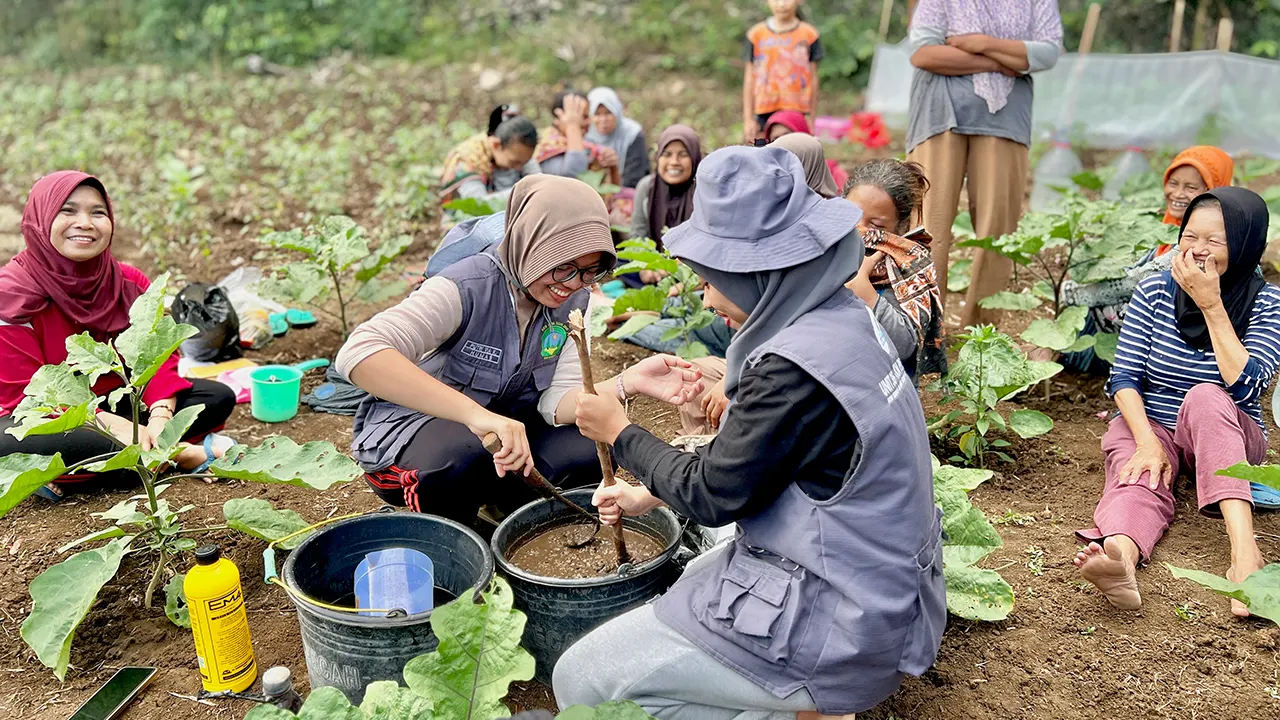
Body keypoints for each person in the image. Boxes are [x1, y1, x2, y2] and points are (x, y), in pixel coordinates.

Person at [554, 146, 945, 720]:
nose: (709, 299)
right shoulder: (843, 315)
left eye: (715, 279)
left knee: (581, 680)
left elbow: (715, 495)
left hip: (842, 628)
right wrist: (652, 490)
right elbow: (778, 459)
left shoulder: (792, 369)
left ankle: (808, 701)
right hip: (889, 591)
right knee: (695, 572)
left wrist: (620, 430)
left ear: (762, 274)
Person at [335, 175, 704, 525]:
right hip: (415, 440)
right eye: (563, 268)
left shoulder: (573, 300)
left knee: (585, 448)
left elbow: (557, 401)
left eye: (589, 271)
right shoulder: (465, 287)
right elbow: (360, 352)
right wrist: (476, 416)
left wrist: (628, 382)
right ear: (531, 245)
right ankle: (444, 536)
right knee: (464, 455)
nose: (574, 284)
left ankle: (503, 515)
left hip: (501, 435)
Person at [1073, 188, 1280, 618]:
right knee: (1137, 473)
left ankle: (1246, 554)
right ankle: (1121, 561)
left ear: (1244, 244)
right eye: (1190, 236)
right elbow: (1124, 378)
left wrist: (1211, 304)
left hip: (1229, 430)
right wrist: (1147, 441)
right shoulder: (1154, 289)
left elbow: (1248, 387)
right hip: (1154, 425)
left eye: (1215, 241)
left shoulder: (1268, 302)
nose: (1198, 250)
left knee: (1206, 397)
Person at [0, 171, 235, 499]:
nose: (85, 222)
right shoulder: (10, 295)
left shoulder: (127, 281)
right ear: (40, 220)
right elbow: (26, 396)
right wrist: (117, 427)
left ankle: (84, 473)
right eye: (67, 211)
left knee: (217, 396)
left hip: (120, 401)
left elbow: (158, 356)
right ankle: (181, 454)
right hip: (44, 415)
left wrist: (160, 417)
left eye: (98, 212)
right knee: (9, 441)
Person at [907, 0, 1063, 326]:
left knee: (997, 227)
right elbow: (924, 53)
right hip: (939, 113)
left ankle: (981, 337)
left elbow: (1048, 52)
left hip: (1006, 118)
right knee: (928, 223)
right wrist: (1006, 60)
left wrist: (983, 43)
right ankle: (921, 330)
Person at [1057, 146, 1236, 374]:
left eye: (1191, 187)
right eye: (1173, 183)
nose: (1178, 194)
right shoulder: (1167, 228)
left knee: (1092, 307)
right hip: (1154, 319)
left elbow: (1133, 283)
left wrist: (1069, 292)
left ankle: (1070, 357)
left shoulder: (1200, 245)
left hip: (1174, 342)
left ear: (1213, 191)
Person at [844, 159, 946, 380]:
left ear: (900, 229)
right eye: (851, 217)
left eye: (876, 226)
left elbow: (904, 346)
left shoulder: (905, 268)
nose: (859, 230)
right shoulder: (827, 253)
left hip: (885, 393)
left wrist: (866, 293)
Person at [742, 0, 823, 146]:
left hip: (797, 110)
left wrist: (811, 117)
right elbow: (749, 79)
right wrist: (748, 119)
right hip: (764, 110)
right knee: (763, 154)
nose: (781, 4)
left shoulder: (809, 34)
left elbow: (813, 79)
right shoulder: (756, 34)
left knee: (796, 154)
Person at [440, 105, 540, 209]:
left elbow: (537, 181)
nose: (520, 167)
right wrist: (525, 193)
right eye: (515, 162)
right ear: (496, 145)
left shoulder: (519, 154)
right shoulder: (467, 161)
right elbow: (479, 206)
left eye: (525, 162)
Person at [629, 125, 702, 250]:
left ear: (695, 158)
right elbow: (638, 237)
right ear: (658, 157)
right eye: (667, 154)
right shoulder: (647, 187)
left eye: (683, 154)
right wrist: (647, 266)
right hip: (653, 262)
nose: (674, 162)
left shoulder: (703, 190)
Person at [536, 90, 620, 183]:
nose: (589, 122)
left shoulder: (589, 145)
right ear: (559, 118)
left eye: (588, 116)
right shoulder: (548, 148)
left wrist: (613, 167)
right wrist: (572, 125)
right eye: (582, 117)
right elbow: (574, 175)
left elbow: (611, 189)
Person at [762, 113, 848, 190]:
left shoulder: (833, 175)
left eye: (788, 136)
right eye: (775, 139)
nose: (783, 144)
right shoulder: (770, 182)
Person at [586, 87, 650, 190]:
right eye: (597, 114)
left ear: (617, 112)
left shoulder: (632, 134)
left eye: (608, 113)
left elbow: (635, 178)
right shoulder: (585, 134)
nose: (603, 120)